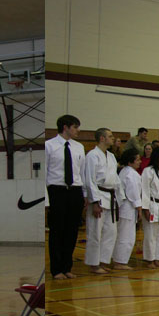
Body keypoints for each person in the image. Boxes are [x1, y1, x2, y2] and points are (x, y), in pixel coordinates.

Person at [45, 115, 85, 280]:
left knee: (72, 231)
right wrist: (47, 200)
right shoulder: (49, 146)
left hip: (75, 190)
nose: (78, 130)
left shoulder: (79, 147)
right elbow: (45, 173)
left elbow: (81, 172)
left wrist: (84, 195)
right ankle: (56, 269)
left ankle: (67, 267)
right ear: (65, 127)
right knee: (57, 232)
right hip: (57, 191)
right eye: (75, 127)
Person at [83, 128, 118, 274]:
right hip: (98, 195)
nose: (113, 138)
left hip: (110, 196)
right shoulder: (92, 155)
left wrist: (119, 199)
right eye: (110, 136)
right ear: (102, 138)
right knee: (95, 232)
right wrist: (95, 202)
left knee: (111, 232)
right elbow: (89, 180)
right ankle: (94, 264)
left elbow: (115, 179)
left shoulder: (111, 156)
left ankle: (103, 261)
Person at [114, 149, 142, 269]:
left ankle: (119, 260)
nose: (140, 162)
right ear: (130, 161)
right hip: (128, 207)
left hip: (125, 207)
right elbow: (133, 193)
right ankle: (120, 262)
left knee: (123, 235)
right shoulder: (131, 174)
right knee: (126, 236)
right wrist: (139, 208)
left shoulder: (125, 171)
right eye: (137, 160)